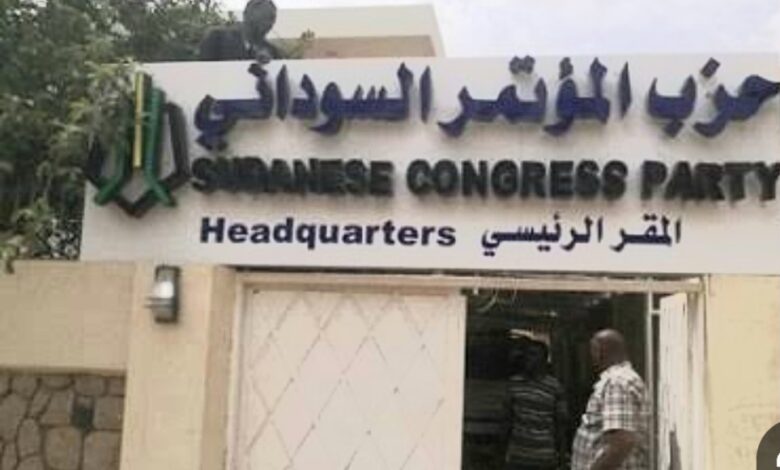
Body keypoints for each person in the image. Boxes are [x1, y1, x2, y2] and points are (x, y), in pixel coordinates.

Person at [571, 329, 649, 470]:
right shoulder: (621, 379)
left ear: (598, 351)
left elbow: (622, 442)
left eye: (592, 351)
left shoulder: (617, 382)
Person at [503, 339, 568, 470]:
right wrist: (501, 452)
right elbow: (507, 420)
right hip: (518, 457)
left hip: (544, 458)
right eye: (527, 354)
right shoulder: (514, 384)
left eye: (533, 354)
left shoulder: (555, 387)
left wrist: (562, 456)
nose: (528, 358)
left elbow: (560, 424)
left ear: (544, 360)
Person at [198, 0, 281, 61]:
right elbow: (204, 71)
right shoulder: (216, 39)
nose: (269, 23)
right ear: (246, 15)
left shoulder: (272, 52)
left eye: (272, 18)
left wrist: (269, 65)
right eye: (264, 17)